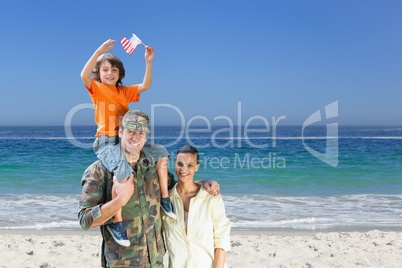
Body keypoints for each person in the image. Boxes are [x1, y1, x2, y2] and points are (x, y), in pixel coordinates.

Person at [78, 110, 221, 267]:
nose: (136, 138)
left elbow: (178, 189)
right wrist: (119, 202)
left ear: (146, 136)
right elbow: (85, 220)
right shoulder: (99, 171)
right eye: (131, 131)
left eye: (141, 133)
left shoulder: (153, 167)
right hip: (122, 263)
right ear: (120, 132)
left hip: (156, 262)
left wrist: (203, 183)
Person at [80, 39, 175, 247]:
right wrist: (99, 51)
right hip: (106, 141)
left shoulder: (123, 92)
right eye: (105, 70)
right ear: (99, 73)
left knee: (161, 151)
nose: (110, 73)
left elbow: (146, 85)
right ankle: (117, 222)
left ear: (120, 73)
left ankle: (165, 199)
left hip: (128, 139)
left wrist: (148, 62)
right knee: (123, 172)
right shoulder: (96, 88)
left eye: (114, 70)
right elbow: (83, 75)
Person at [162, 145, 231, 268]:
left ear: (196, 167)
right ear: (174, 165)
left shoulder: (211, 197)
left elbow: (222, 239)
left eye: (189, 165)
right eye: (180, 164)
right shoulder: (166, 201)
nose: (184, 169)